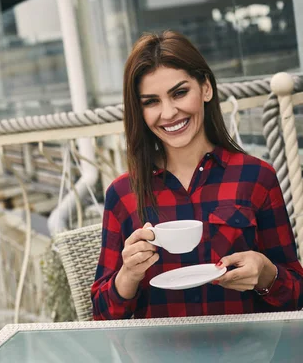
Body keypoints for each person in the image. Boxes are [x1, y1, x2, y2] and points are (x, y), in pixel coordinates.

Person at [91, 30, 303, 320]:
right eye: (151, 101)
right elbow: (101, 316)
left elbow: (297, 296)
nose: (168, 113)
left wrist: (266, 273)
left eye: (180, 93)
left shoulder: (256, 177)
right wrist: (128, 274)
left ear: (205, 88)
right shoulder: (123, 193)